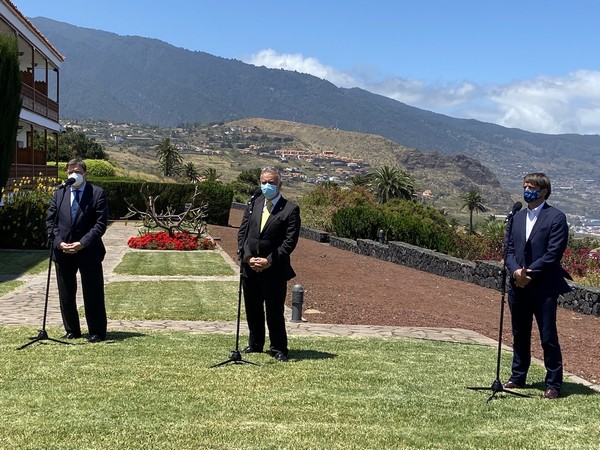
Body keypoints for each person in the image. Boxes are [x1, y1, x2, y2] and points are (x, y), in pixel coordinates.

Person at [503, 172, 571, 399]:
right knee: (519, 333)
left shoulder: (556, 217)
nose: (526, 190)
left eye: (531, 187)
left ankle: (553, 384)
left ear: (544, 191)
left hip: (543, 287)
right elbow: (509, 250)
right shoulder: (517, 217)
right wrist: (516, 271)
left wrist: (528, 273)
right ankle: (518, 376)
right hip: (518, 285)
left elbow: (554, 253)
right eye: (525, 186)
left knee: (548, 336)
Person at [237, 167, 301, 362]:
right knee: (253, 309)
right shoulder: (253, 204)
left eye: (271, 182)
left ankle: (278, 348)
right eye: (263, 182)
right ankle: (255, 344)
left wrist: (269, 261)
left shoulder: (290, 209)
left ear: (279, 185)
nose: (267, 186)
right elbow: (243, 234)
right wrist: (248, 257)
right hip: (250, 268)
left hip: (274, 270)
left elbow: (289, 243)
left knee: (274, 311)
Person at [46, 158, 109, 343]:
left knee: (93, 292)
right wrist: (59, 242)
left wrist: (83, 243)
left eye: (78, 172)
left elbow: (100, 224)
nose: (74, 175)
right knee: (66, 293)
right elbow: (51, 221)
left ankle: (96, 331)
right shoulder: (60, 193)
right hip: (63, 251)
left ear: (85, 174)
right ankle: (72, 330)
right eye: (71, 172)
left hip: (88, 251)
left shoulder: (97, 193)